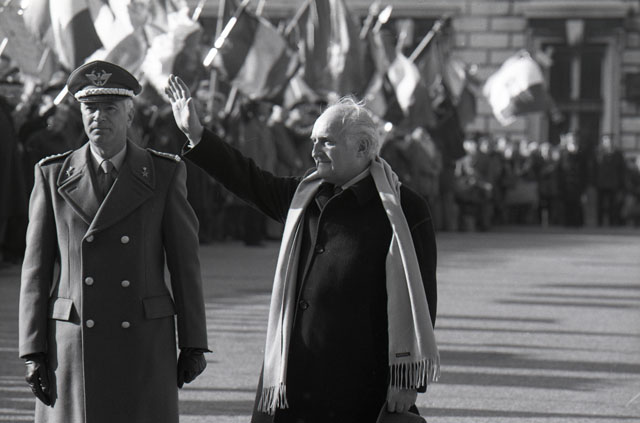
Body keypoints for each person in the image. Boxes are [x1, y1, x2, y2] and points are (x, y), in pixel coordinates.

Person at [166, 75, 439, 423]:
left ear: (362, 148)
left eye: (327, 142)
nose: (314, 151)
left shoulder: (404, 208)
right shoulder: (305, 195)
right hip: (294, 374)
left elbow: (420, 300)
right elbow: (249, 179)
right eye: (313, 141)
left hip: (361, 379)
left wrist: (408, 380)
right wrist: (197, 135)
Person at [19, 61, 209, 423]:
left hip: (141, 337)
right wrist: (32, 350)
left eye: (110, 108)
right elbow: (36, 271)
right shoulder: (52, 175)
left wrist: (193, 342)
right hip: (74, 340)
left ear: (130, 114)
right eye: (90, 108)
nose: (99, 117)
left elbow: (185, 265)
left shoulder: (164, 173)